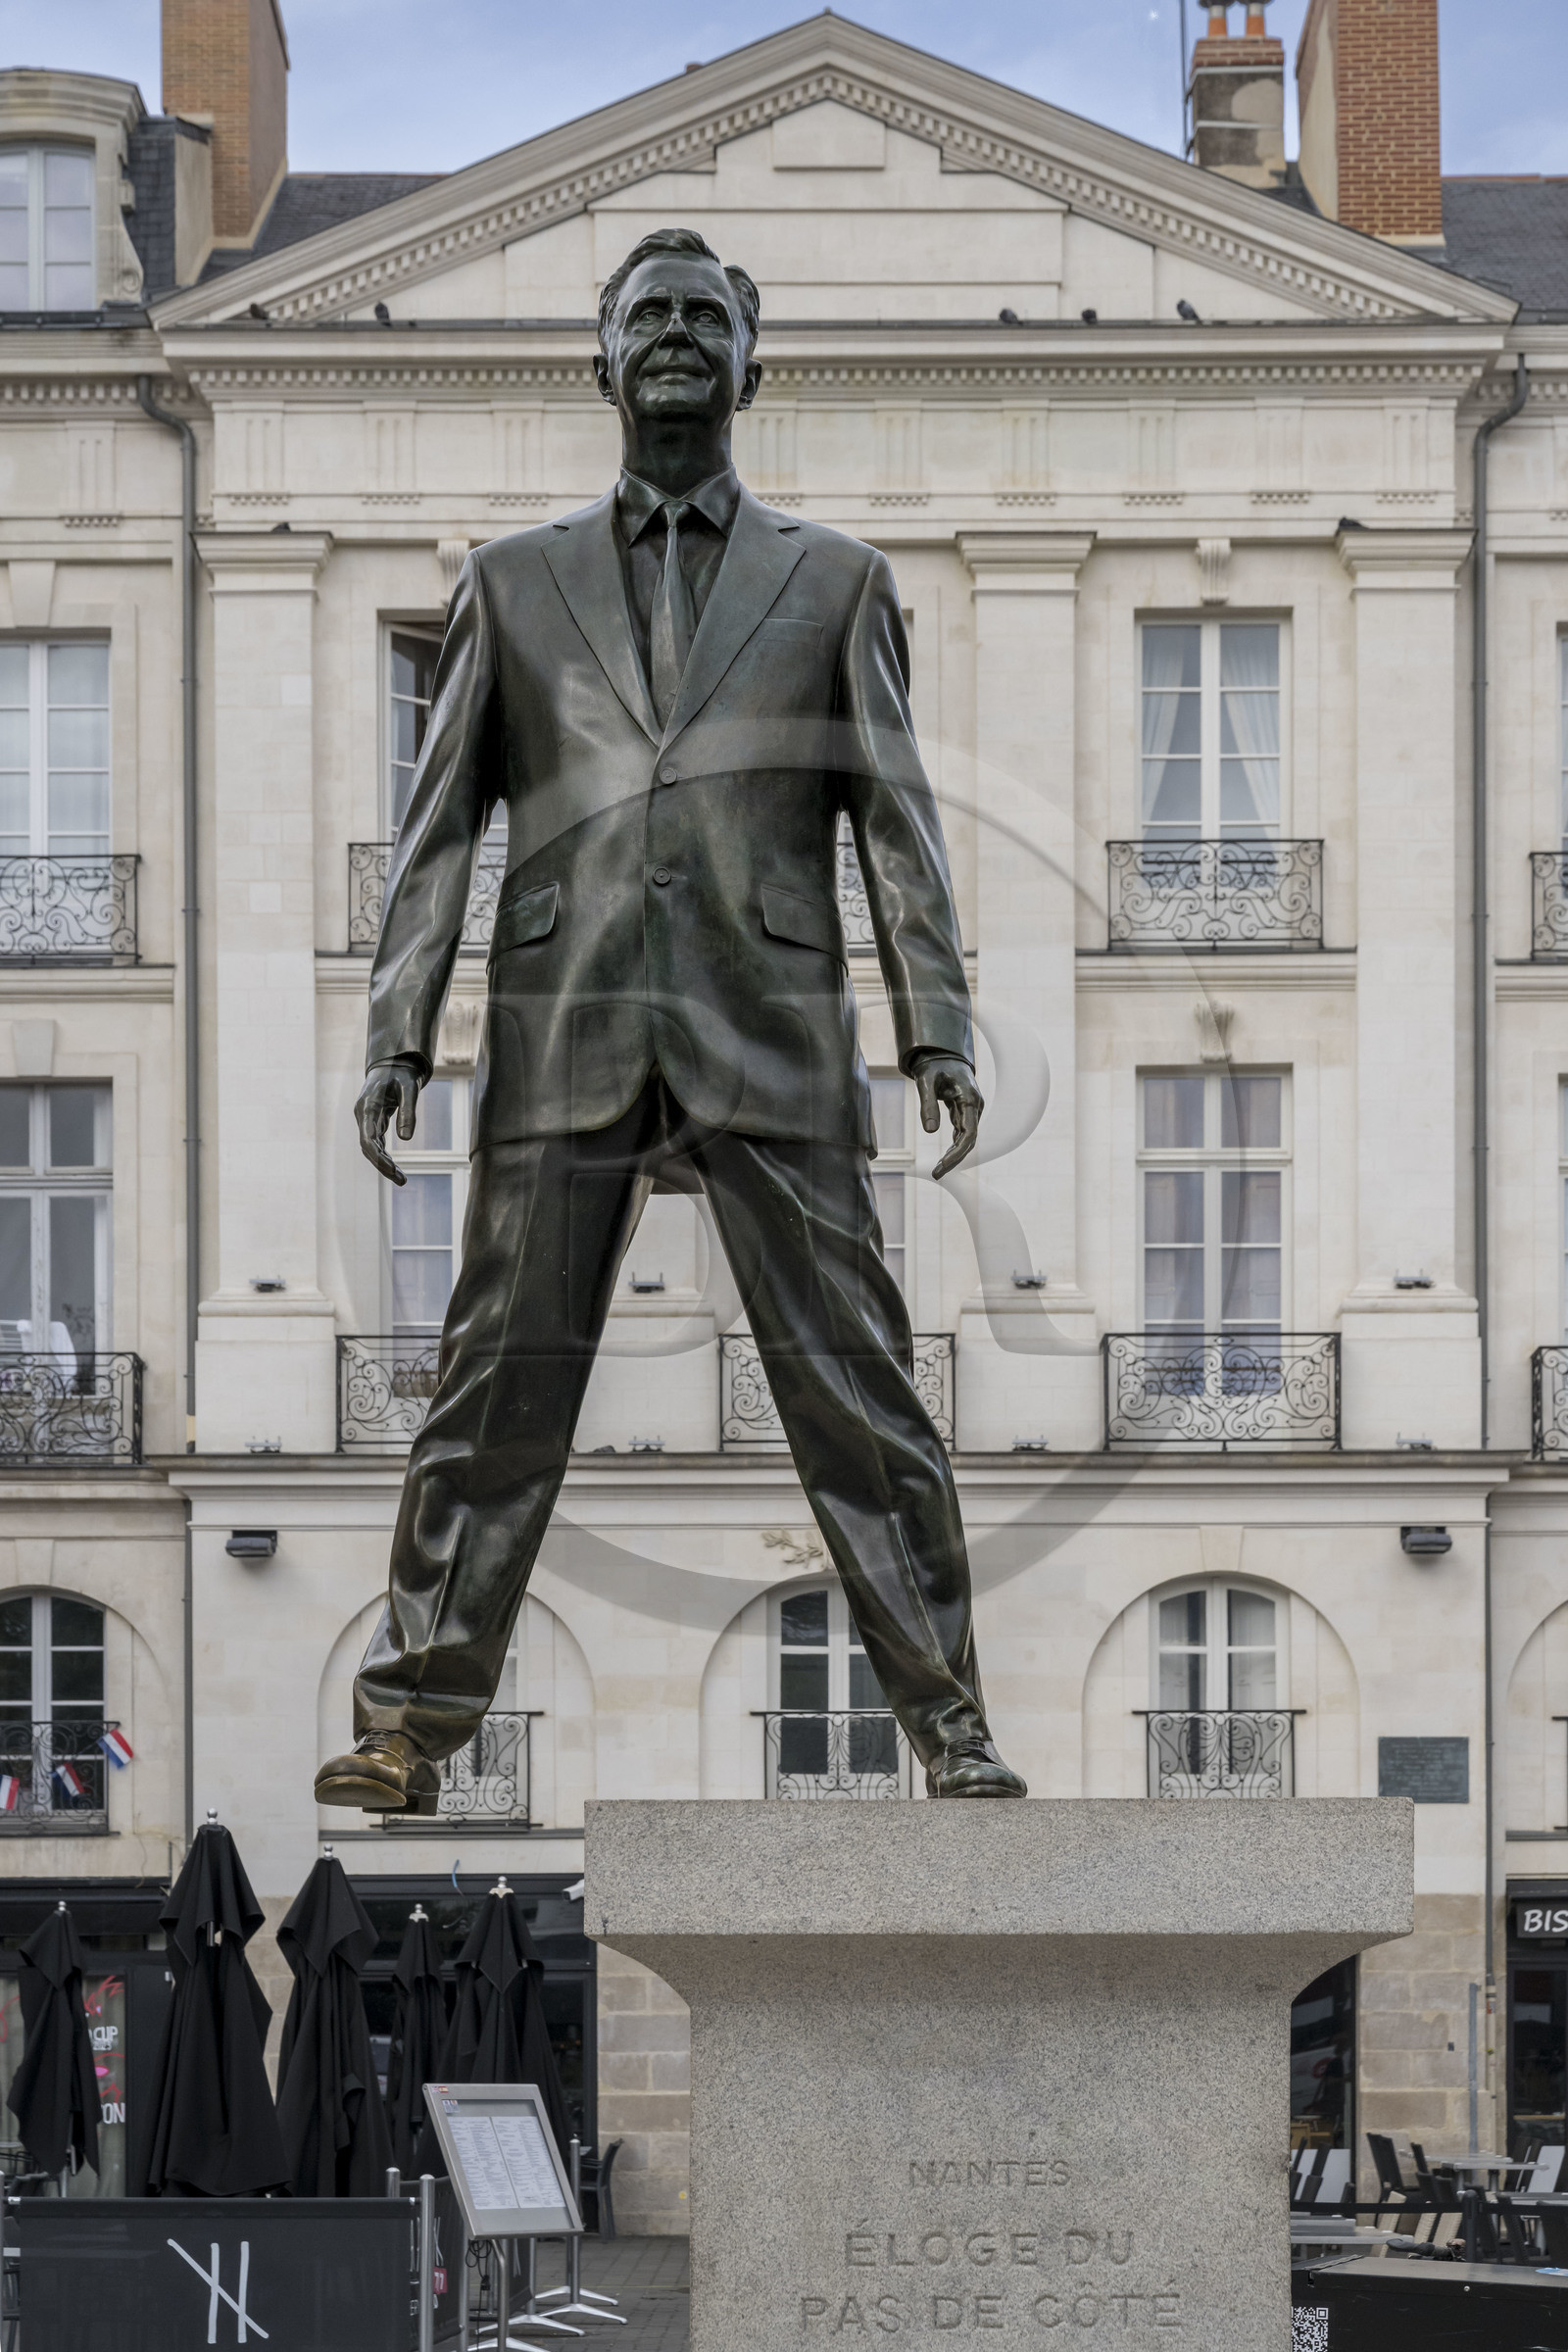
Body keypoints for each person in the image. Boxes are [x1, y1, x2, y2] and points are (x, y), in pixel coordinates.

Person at [316, 226, 1025, 1811]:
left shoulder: (837, 581)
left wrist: (936, 1023)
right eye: (651, 317)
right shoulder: (509, 582)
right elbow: (439, 828)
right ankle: (408, 1725)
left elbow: (895, 818)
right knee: (495, 1385)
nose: (680, 336)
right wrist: (396, 1026)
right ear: (605, 361)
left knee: (858, 1390)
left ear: (753, 366)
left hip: (770, 1024)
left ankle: (949, 1723)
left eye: (708, 316)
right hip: (563, 1019)